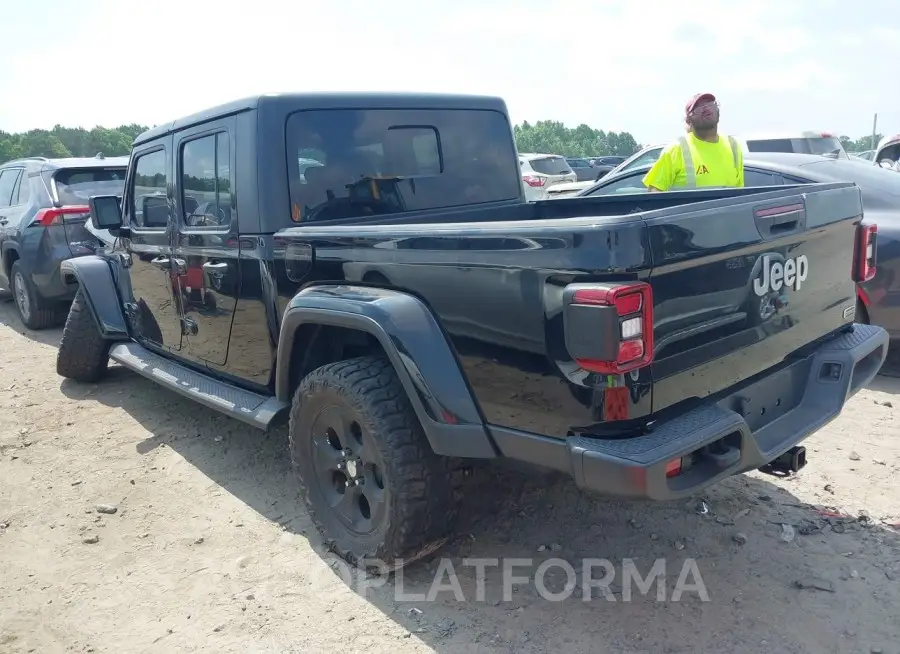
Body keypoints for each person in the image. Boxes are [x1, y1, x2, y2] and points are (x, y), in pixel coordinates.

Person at [642, 92, 744, 192]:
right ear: (688, 121)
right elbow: (654, 192)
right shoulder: (676, 149)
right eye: (698, 108)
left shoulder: (733, 146)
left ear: (718, 110)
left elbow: (740, 193)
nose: (706, 108)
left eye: (710, 104)